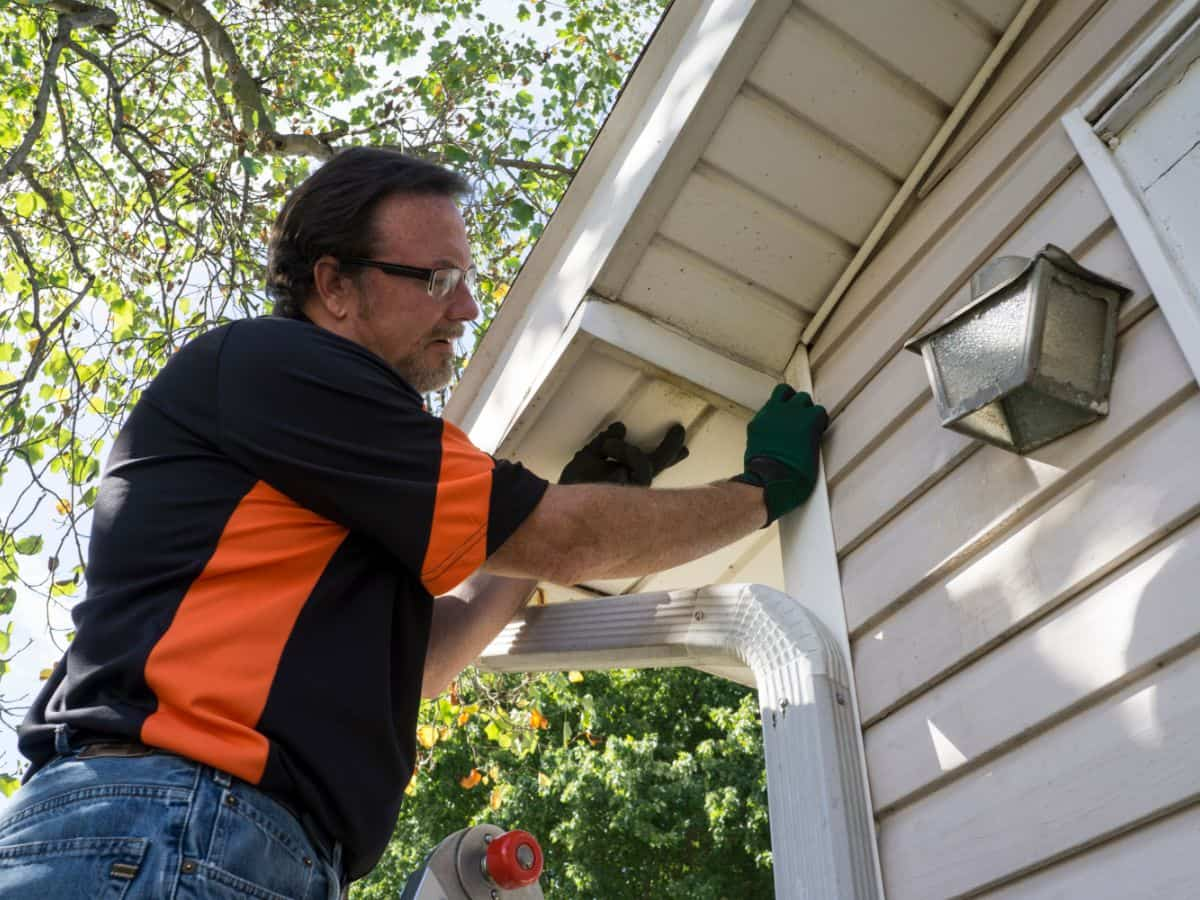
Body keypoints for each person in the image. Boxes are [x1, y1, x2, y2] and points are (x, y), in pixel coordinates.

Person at [0, 148, 827, 899]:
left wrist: (543, 529)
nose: (465, 307)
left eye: (467, 278)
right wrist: (760, 491)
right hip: (175, 821)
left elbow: (429, 658)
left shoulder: (326, 492)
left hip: (203, 838)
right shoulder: (279, 370)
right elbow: (565, 535)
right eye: (435, 279)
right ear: (334, 286)